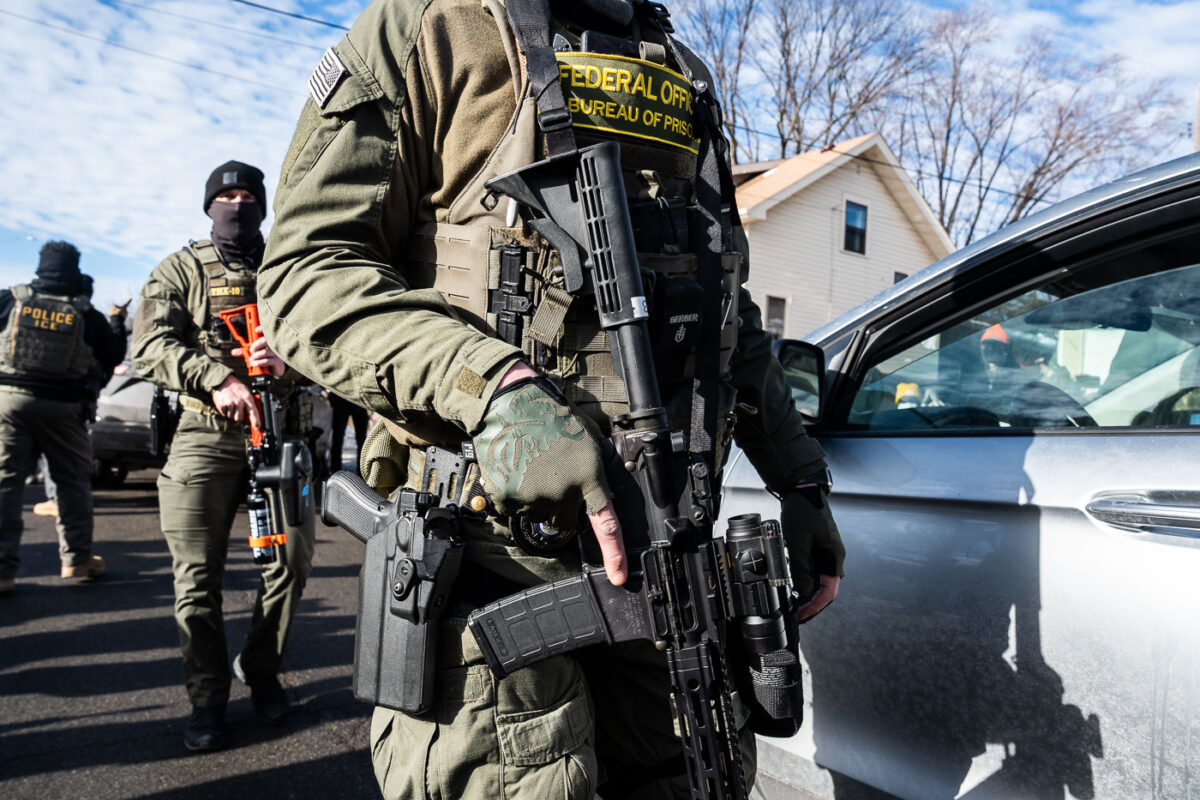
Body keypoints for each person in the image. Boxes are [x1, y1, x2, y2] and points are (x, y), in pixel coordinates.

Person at [259, 1, 845, 796]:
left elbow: (723, 310)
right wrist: (492, 389)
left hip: (668, 556)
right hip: (490, 565)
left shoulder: (679, 70)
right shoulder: (430, 27)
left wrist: (801, 480)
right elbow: (305, 279)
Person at [132, 161, 315, 752]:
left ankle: (260, 668)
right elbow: (149, 346)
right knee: (196, 579)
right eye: (226, 196)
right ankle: (207, 698)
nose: (237, 205)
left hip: (279, 433)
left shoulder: (287, 270)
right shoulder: (181, 268)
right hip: (205, 435)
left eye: (246, 196)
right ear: (210, 204)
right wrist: (213, 377)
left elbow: (329, 341)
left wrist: (289, 362)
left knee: (291, 563)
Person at [0, 241, 126, 595]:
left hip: (10, 402)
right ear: (75, 268)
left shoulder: (11, 300)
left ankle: (3, 571)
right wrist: (116, 321)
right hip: (64, 407)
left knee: (6, 484)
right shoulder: (85, 313)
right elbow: (113, 354)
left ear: (41, 267)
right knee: (71, 483)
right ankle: (77, 560)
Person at [327, 393, 370, 472]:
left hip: (354, 399)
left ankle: (362, 470)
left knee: (361, 439)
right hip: (348, 398)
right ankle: (335, 469)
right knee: (338, 438)